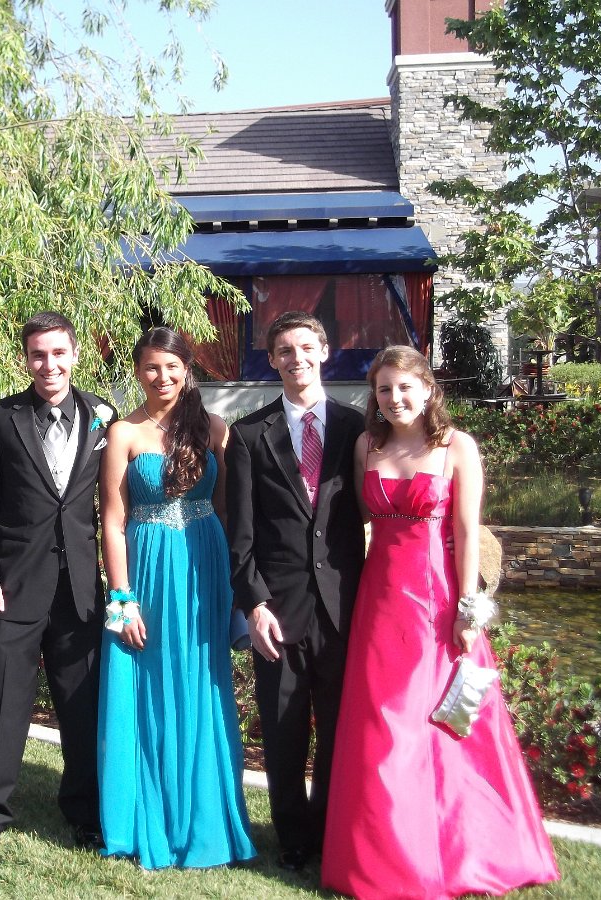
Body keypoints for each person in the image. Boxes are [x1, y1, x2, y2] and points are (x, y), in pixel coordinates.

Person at [321, 346, 559, 898]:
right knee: (382, 724)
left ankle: (457, 853)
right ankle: (382, 854)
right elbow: (363, 519)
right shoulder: (366, 445)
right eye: (384, 389)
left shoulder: (457, 446)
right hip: (380, 599)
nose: (395, 398)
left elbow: (468, 532)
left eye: (405, 387)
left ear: (428, 389)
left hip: (435, 602)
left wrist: (468, 610)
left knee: (442, 724)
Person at [97, 326, 256, 870]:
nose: (161, 377)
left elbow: (231, 511)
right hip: (145, 569)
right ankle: (145, 813)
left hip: (203, 569)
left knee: (200, 681)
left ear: (187, 369)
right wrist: (122, 599)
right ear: (137, 371)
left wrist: (234, 589)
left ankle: (204, 814)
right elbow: (112, 523)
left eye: (171, 367)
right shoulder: (123, 433)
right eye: (150, 367)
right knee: (145, 680)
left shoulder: (214, 428)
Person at [225, 311, 364, 872]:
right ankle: (292, 838)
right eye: (285, 350)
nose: (296, 358)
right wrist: (254, 604)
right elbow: (240, 535)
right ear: (272, 360)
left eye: (305, 347)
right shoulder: (249, 434)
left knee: (337, 729)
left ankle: (328, 829)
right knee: (283, 731)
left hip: (343, 607)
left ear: (324, 351)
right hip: (278, 610)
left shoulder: (356, 429)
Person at [0, 312, 108, 857]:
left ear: (75, 354)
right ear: (26, 359)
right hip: (15, 583)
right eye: (38, 355)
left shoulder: (103, 416)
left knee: (81, 706)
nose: (49, 364)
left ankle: (84, 811)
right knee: (6, 702)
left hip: (80, 589)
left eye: (58, 353)